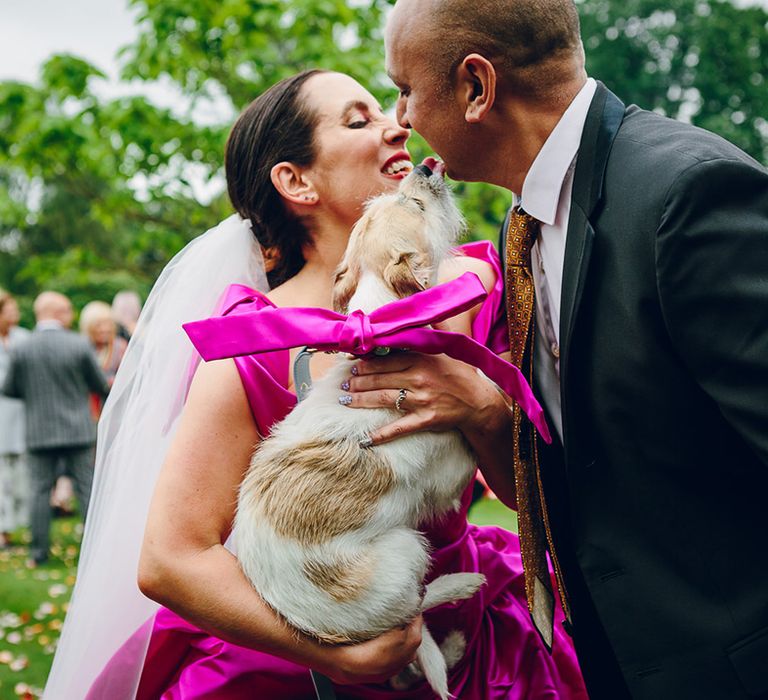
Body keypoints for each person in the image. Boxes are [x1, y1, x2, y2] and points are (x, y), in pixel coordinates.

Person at [45, 70, 587, 699]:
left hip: (478, 651)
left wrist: (486, 410)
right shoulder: (248, 348)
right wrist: (334, 656)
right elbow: (171, 558)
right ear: (295, 182)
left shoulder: (472, 288)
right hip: (290, 672)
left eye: (386, 112)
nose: (397, 125)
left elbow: (535, 505)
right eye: (358, 121)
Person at [383, 0, 768, 698]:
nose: (401, 117)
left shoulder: (685, 194)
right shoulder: (519, 228)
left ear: (477, 87)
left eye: (405, 88)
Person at [1, 291, 110, 565]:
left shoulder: (21, 348)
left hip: (39, 431)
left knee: (39, 492)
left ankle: (38, 554)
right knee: (85, 489)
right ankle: (94, 553)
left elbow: (8, 388)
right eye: (68, 310)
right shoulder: (78, 345)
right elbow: (99, 384)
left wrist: (35, 397)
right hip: (78, 430)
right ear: (59, 312)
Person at [0, 292, 30, 547]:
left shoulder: (24, 338)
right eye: (8, 310)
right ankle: (3, 531)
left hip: (21, 417)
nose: (14, 314)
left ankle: (16, 523)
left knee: (20, 477)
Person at [80, 300, 128, 417]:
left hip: (113, 408)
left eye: (108, 324)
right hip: (85, 409)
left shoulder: (119, 347)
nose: (104, 329)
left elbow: (127, 376)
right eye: (98, 325)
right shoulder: (81, 347)